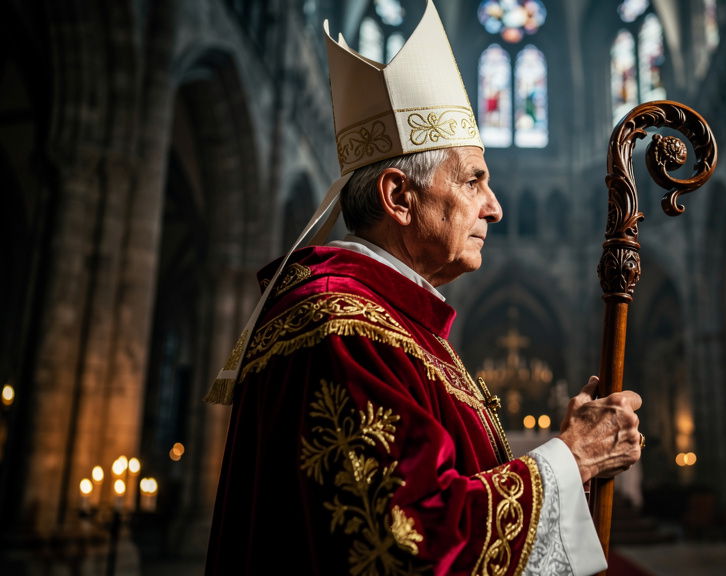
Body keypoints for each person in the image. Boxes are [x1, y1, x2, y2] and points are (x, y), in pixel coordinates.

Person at [205, 2, 642, 574]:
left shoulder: (393, 324)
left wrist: (573, 458)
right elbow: (410, 546)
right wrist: (571, 457)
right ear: (399, 197)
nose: (495, 208)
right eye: (473, 181)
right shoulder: (342, 328)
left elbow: (454, 491)